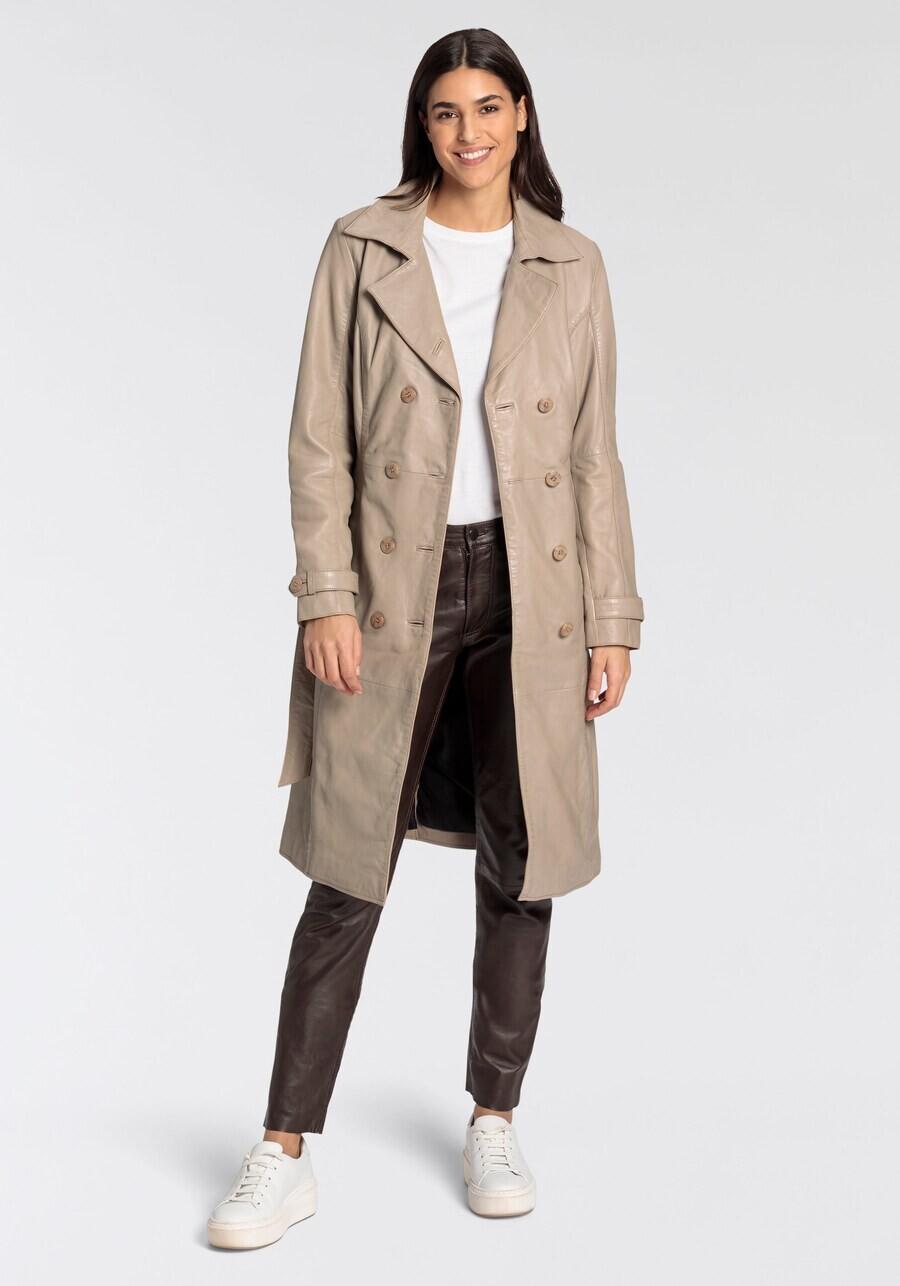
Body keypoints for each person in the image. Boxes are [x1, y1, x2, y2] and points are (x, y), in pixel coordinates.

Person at [207, 26, 643, 1249]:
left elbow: (594, 453)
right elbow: (318, 439)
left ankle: (494, 1115)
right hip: (397, 583)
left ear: (523, 116)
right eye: (447, 111)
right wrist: (325, 595)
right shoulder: (364, 245)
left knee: (523, 858)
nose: (469, 132)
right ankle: (283, 1146)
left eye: (489, 107)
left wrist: (614, 615)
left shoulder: (573, 262)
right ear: (424, 124)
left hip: (537, 587)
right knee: (349, 864)